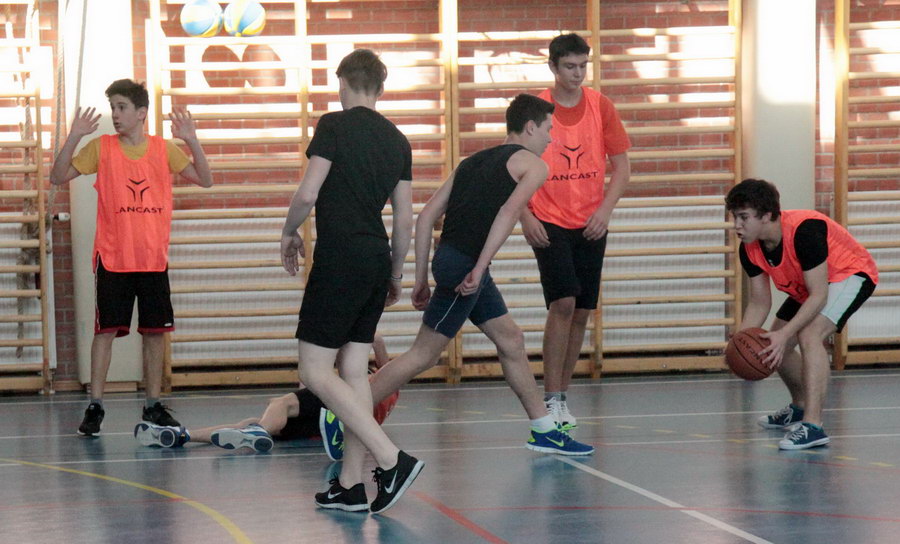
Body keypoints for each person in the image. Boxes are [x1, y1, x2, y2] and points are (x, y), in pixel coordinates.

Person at [345, 94, 593, 494]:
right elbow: (508, 215)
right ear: (531, 127)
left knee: (511, 339)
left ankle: (545, 429)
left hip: (456, 263)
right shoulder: (535, 166)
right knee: (423, 355)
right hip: (466, 269)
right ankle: (343, 411)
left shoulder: (471, 162)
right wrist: (478, 268)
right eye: (549, 130)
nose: (551, 139)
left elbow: (427, 216)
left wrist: (422, 277)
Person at [279, 49, 419, 515]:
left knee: (314, 372)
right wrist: (395, 273)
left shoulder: (333, 125)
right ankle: (351, 484)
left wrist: (288, 231)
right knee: (355, 371)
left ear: (342, 84)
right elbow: (404, 221)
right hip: (376, 258)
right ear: (380, 88)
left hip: (341, 257)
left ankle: (390, 459)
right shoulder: (398, 140)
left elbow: (308, 193)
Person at [49, 79, 213, 436]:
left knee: (154, 334)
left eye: (121, 107)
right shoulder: (101, 148)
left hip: (152, 258)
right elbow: (57, 175)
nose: (115, 114)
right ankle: (95, 406)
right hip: (114, 257)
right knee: (105, 331)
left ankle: (153, 405)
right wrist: (74, 135)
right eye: (113, 108)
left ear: (141, 113)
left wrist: (192, 139)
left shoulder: (163, 149)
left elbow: (206, 179)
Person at [519, 33, 632, 431]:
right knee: (563, 303)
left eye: (583, 65)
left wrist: (605, 210)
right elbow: (511, 164)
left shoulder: (601, 106)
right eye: (569, 66)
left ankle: (562, 397)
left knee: (582, 310)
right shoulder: (535, 108)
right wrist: (525, 216)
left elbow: (622, 168)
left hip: (590, 222)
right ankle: (550, 398)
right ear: (553, 67)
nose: (578, 73)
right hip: (548, 219)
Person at [726, 178, 878, 450]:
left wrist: (786, 334)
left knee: (809, 335)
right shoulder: (749, 248)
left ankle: (813, 426)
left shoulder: (804, 231)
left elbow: (819, 295)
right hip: (809, 285)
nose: (736, 225)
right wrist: (740, 341)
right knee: (770, 342)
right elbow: (759, 302)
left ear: (767, 215)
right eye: (734, 217)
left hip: (848, 275)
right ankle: (799, 406)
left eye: (744, 217)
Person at [134, 336, 400, 459]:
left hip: (335, 408)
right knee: (252, 423)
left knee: (281, 403)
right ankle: (183, 435)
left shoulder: (374, 384)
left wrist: (366, 337)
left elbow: (377, 349)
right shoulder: (374, 388)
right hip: (327, 427)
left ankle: (257, 432)